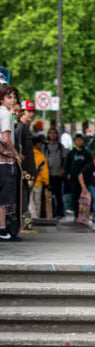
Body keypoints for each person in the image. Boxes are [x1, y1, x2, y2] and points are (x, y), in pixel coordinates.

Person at [0, 84, 21, 241]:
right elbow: (6, 138)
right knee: (4, 197)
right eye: (9, 97)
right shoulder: (6, 114)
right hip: (5, 161)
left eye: (14, 97)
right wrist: (15, 154)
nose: (13, 100)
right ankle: (2, 229)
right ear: (2, 99)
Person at [65, 134, 92, 218]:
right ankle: (76, 214)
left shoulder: (87, 153)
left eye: (81, 140)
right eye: (77, 140)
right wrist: (68, 173)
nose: (79, 142)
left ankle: (84, 214)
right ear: (75, 142)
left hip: (84, 178)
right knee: (75, 196)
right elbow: (67, 164)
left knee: (84, 195)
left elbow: (90, 164)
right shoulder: (71, 153)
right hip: (74, 177)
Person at [43, 128, 66, 218]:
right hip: (48, 174)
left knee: (59, 194)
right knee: (49, 195)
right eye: (50, 133)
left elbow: (64, 159)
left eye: (54, 133)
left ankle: (60, 212)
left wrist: (63, 169)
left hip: (58, 173)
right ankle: (50, 212)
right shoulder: (45, 146)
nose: (52, 135)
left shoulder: (60, 146)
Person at [29, 136, 50, 219]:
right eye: (40, 144)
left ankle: (31, 216)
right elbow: (44, 171)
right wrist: (47, 183)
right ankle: (36, 217)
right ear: (37, 145)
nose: (41, 146)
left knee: (30, 201)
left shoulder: (28, 155)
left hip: (29, 181)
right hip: (38, 183)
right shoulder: (41, 156)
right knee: (37, 200)